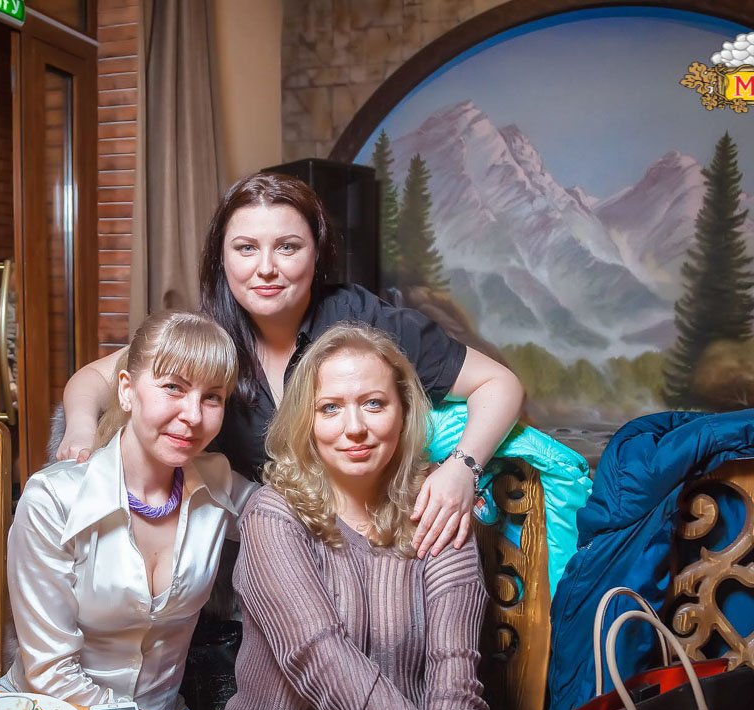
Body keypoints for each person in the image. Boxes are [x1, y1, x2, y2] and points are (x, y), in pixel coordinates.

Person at [57, 172, 525, 559]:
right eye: (245, 248)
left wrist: (462, 469)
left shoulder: (367, 324)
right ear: (221, 258)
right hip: (253, 555)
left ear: (317, 253)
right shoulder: (206, 338)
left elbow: (499, 383)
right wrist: (78, 428)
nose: (266, 268)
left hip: (368, 549)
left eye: (287, 247)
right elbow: (95, 378)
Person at [224, 323, 573, 710]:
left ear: (404, 413)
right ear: (306, 422)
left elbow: (454, 664)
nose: (355, 428)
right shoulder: (273, 515)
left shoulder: (435, 504)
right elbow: (320, 657)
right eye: (330, 408)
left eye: (374, 403)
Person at [0, 310, 255, 710]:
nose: (193, 415)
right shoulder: (53, 499)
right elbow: (49, 673)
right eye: (173, 387)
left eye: (212, 397)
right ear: (126, 390)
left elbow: (289, 518)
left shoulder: (218, 483)